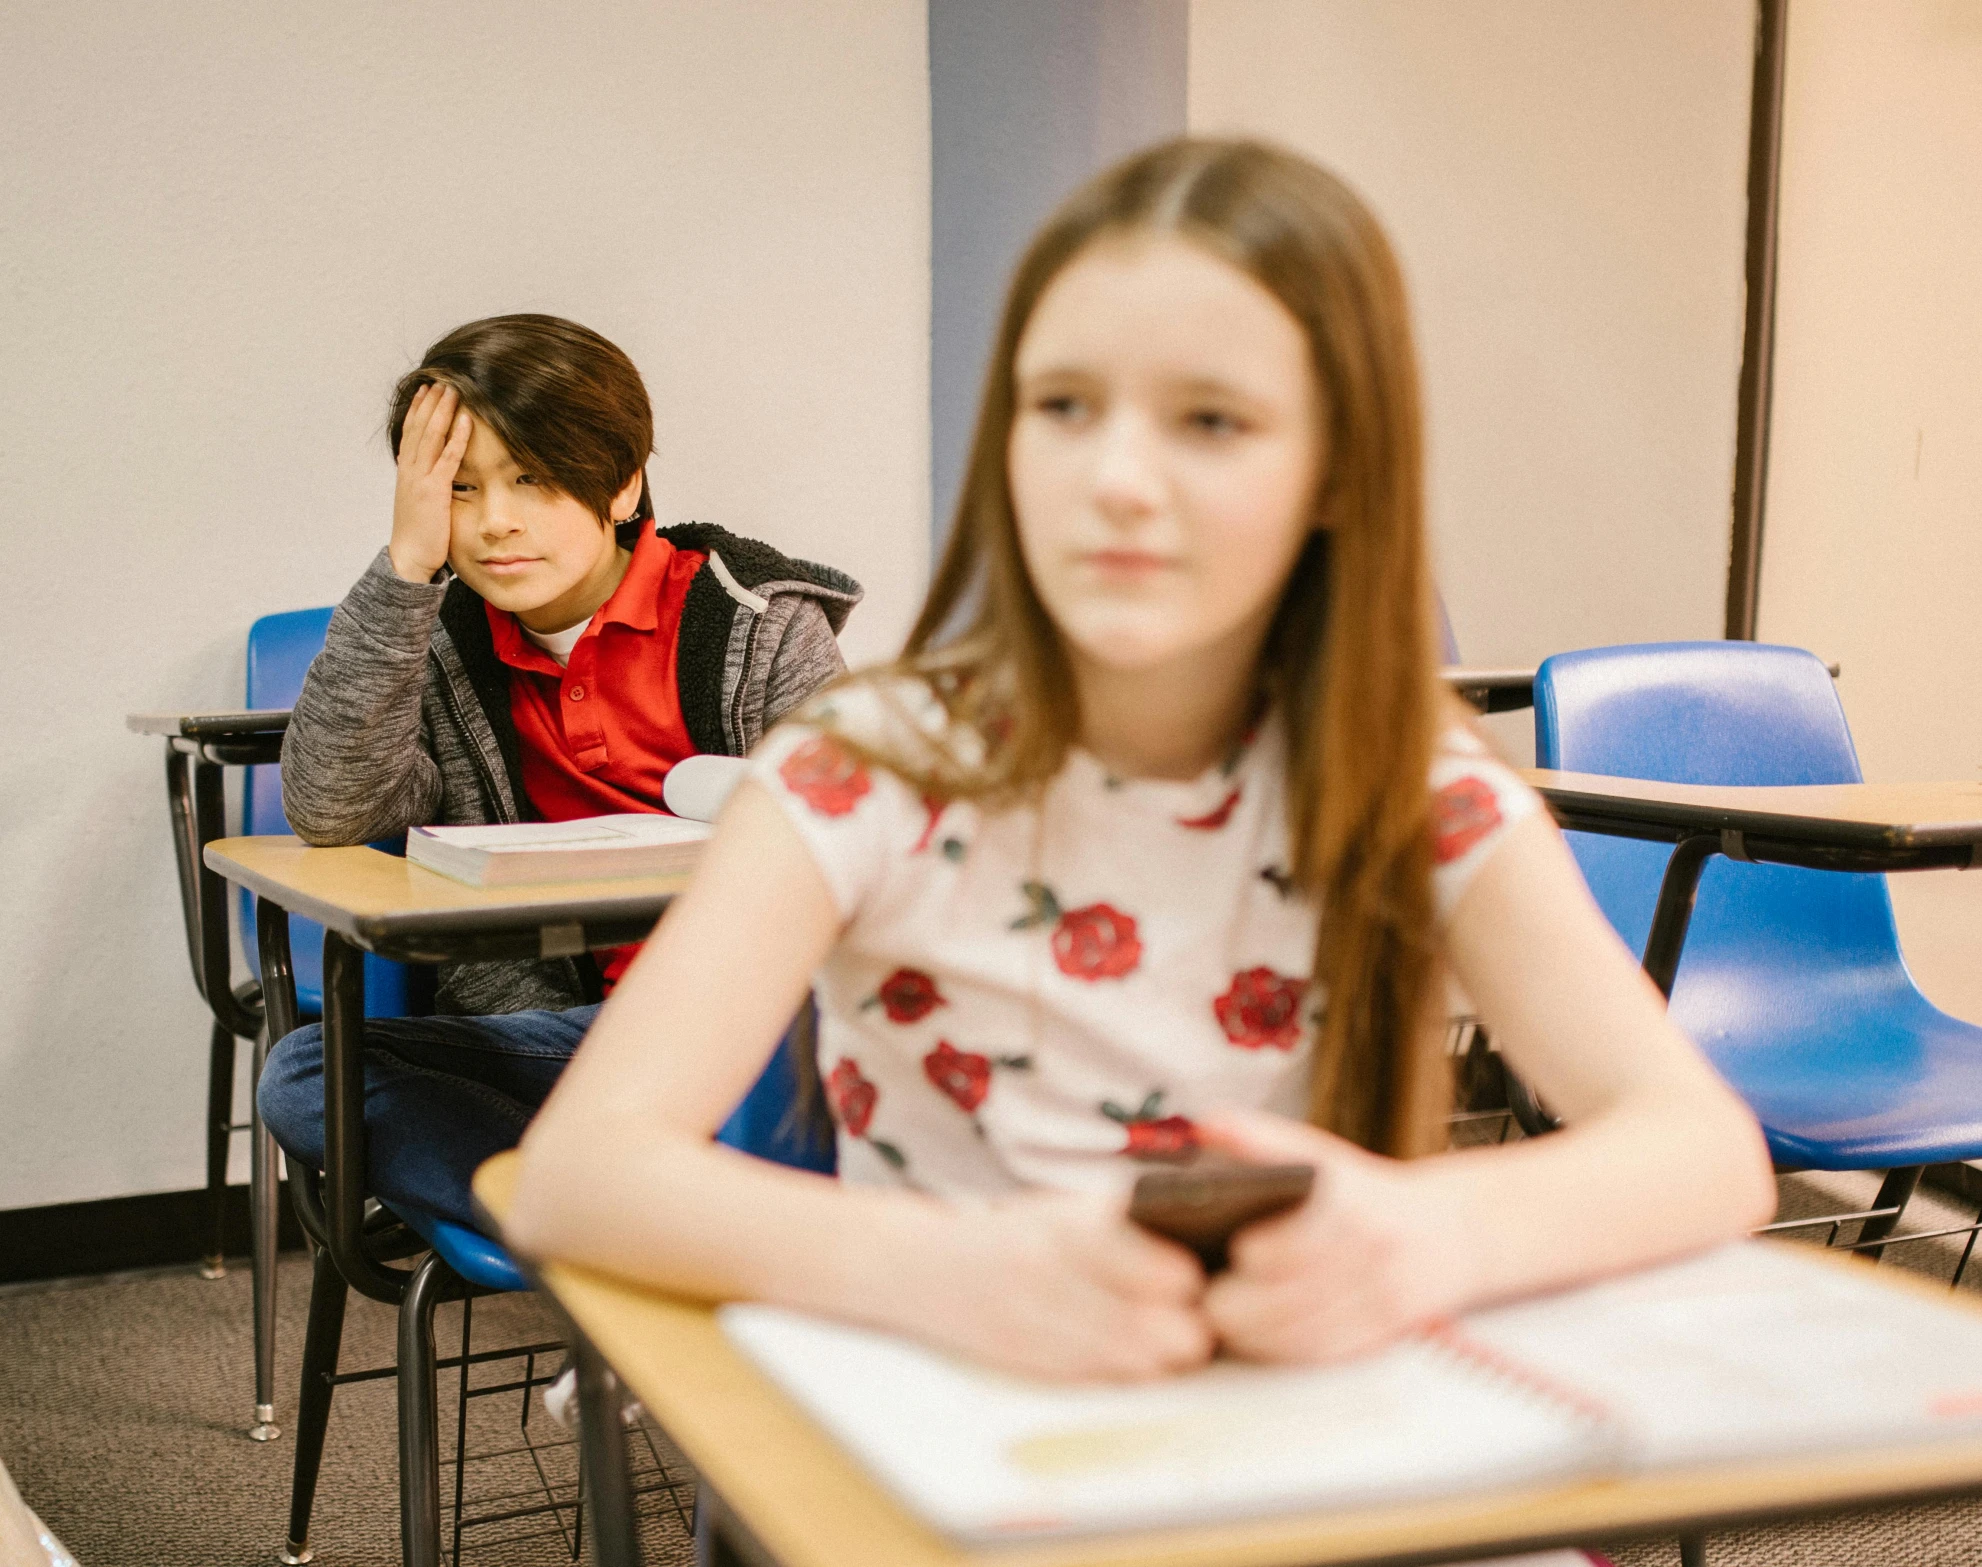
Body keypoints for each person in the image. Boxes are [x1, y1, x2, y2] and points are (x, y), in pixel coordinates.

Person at [508, 140, 1775, 1385]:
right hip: (978, 1431)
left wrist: (1432, 1229)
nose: (1113, 478)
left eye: (1211, 420)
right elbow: (582, 1173)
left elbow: (1705, 1152)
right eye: (1061, 406)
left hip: (1299, 1422)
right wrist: (945, 1269)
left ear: (1338, 471)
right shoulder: (863, 771)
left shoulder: (1411, 788)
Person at [260, 313, 861, 1231]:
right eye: (459, 490)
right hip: (574, 1041)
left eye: (532, 480)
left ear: (621, 484)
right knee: (307, 1077)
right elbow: (332, 804)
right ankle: (633, 1226)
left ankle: (607, 1214)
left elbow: (853, 859)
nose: (495, 522)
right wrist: (407, 565)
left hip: (754, 1035)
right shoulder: (441, 644)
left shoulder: (757, 622)